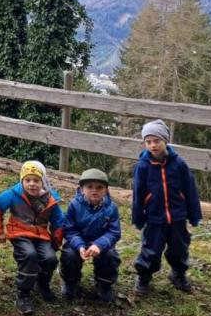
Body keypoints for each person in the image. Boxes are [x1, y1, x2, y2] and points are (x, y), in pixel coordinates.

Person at [132, 119, 202, 295]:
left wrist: (194, 215)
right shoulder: (143, 166)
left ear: (165, 141)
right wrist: (138, 217)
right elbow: (138, 193)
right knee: (151, 250)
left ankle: (178, 274)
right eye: (148, 142)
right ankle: (144, 277)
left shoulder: (179, 164)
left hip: (178, 217)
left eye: (157, 141)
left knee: (179, 248)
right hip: (155, 217)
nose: (153, 145)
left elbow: (190, 190)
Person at [0, 160, 66, 316]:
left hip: (41, 235)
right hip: (20, 232)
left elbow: (59, 221)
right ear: (22, 181)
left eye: (36, 180)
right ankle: (23, 293)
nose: (32, 184)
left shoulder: (50, 199)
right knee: (29, 255)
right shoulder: (13, 194)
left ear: (43, 181)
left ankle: (43, 284)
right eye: (27, 180)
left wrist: (56, 241)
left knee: (50, 259)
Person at [60, 168, 121, 303]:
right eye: (90, 187)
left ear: (106, 190)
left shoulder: (112, 208)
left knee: (110, 256)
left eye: (99, 187)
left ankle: (104, 285)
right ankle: (71, 282)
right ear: (82, 189)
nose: (94, 190)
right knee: (69, 255)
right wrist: (79, 245)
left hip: (101, 243)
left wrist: (99, 245)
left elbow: (114, 232)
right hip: (78, 240)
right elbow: (69, 229)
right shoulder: (74, 205)